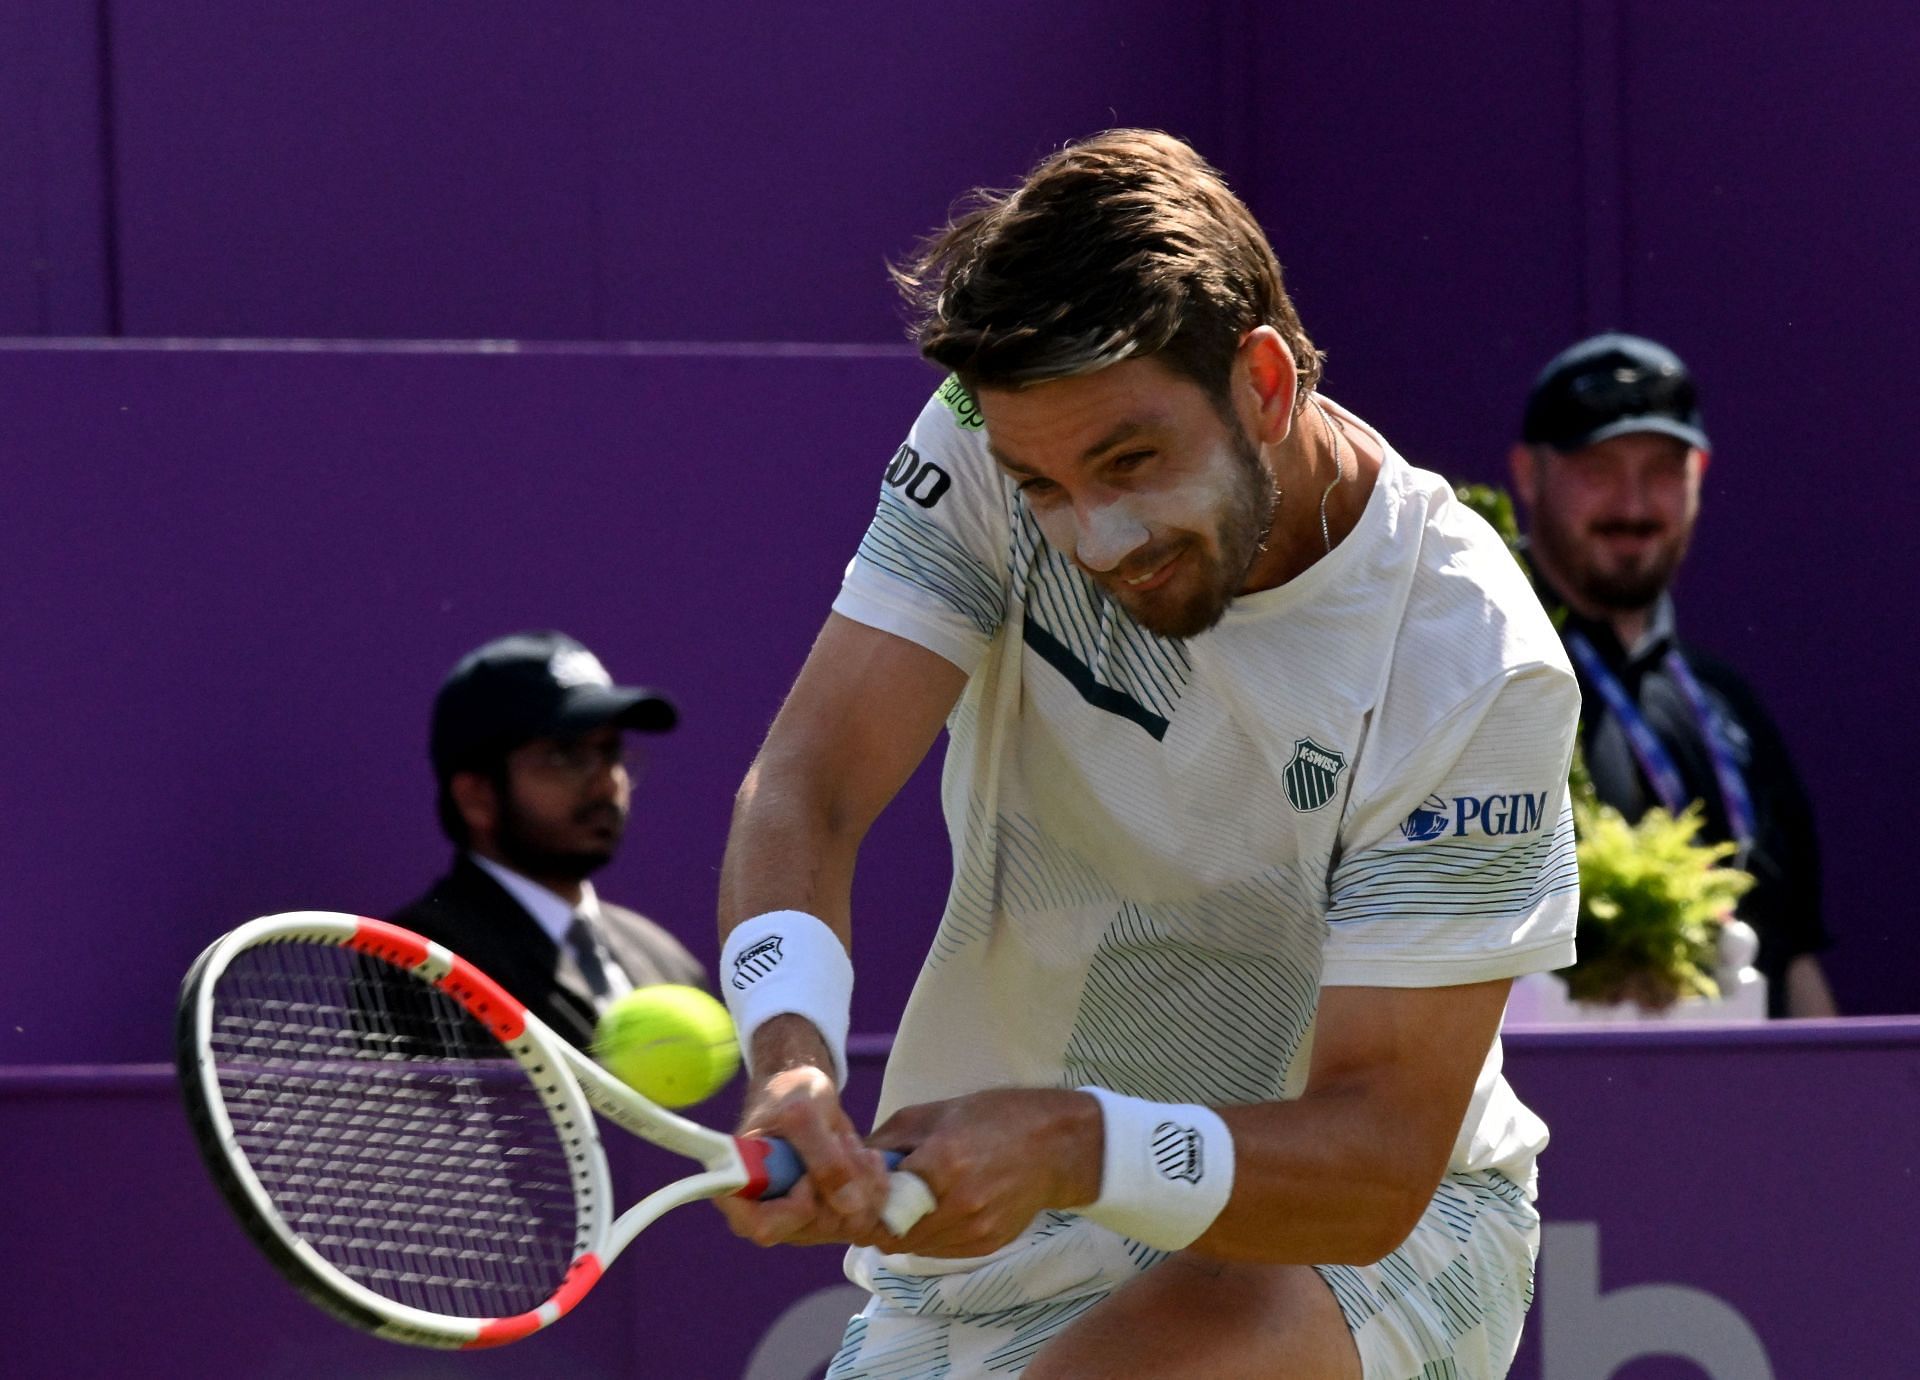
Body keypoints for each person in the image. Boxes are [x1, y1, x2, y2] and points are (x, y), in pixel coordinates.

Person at [714, 131, 1580, 1380]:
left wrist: (1073, 1145)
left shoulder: (1467, 662)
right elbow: (813, 782)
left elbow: (1379, 1158)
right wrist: (789, 1061)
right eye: (1046, 487)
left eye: (1132, 464)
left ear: (1267, 386)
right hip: (1001, 1241)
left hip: (1359, 1237)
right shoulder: (986, 439)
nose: (1095, 534)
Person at [1509, 334, 1836, 1018]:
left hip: (1750, 1106)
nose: (1632, 504)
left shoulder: (1732, 709)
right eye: (1598, 469)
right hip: (1566, 1108)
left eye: (1662, 470)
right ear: (1529, 474)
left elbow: (1793, 954)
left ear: (1700, 474)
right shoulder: (1485, 683)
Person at [392, 630, 705, 1051]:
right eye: (565, 756)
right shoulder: (423, 959)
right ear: (476, 798)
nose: (606, 781)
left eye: (611, 752)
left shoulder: (669, 960)